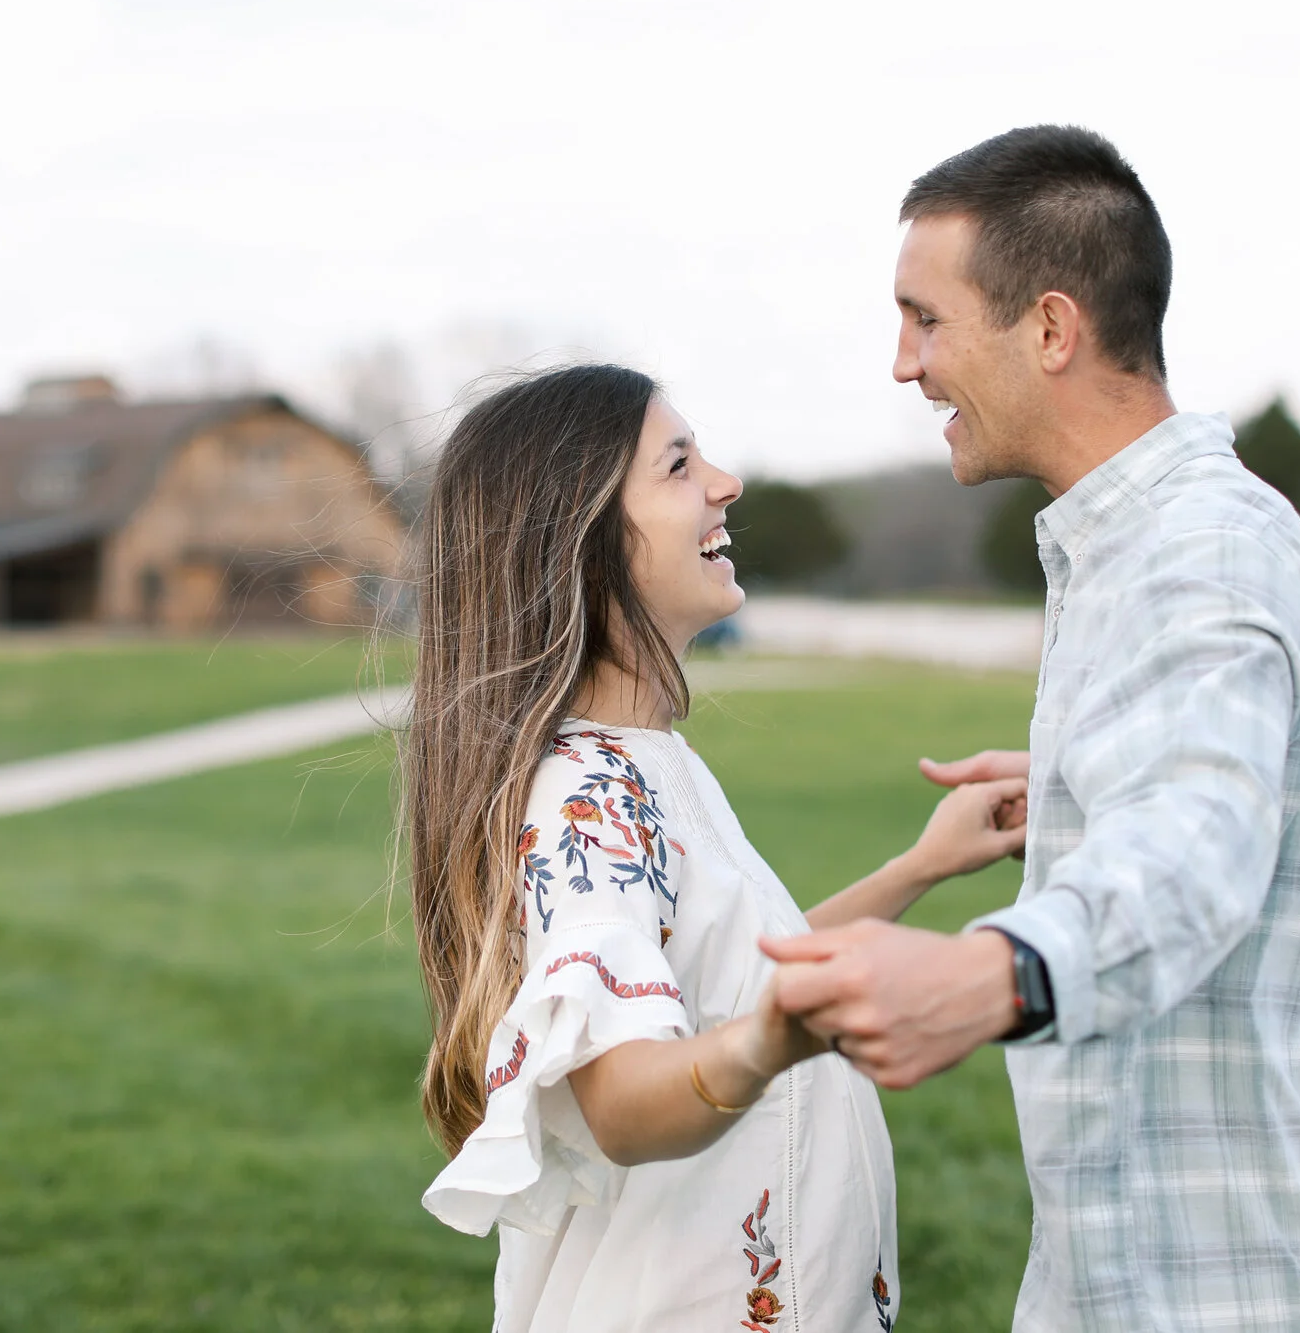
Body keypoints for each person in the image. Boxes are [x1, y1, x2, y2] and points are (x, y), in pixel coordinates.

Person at [764, 126, 1300, 1332]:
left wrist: (990, 970)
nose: (903, 365)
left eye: (926, 319)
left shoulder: (1202, 550)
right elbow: (1185, 785)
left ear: (1052, 330)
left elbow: (1197, 844)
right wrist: (1077, 794)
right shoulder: (1126, 545)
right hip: (1116, 1275)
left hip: (1240, 1288)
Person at [407, 363, 1028, 1333]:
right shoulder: (588, 799)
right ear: (580, 538)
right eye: (678, 463)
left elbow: (726, 987)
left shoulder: (649, 765)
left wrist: (921, 866)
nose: (725, 481)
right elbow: (620, 1095)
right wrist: (774, 1038)